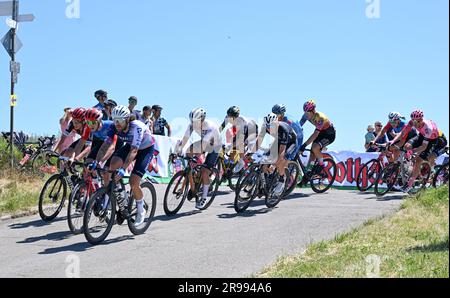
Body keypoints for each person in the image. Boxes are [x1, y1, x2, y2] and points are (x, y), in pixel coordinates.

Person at [92, 105, 156, 226]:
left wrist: (123, 169)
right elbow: (106, 145)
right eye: (115, 120)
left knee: (133, 182)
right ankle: (118, 197)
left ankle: (141, 208)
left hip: (145, 148)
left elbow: (134, 151)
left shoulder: (136, 126)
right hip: (130, 145)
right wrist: (97, 161)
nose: (117, 123)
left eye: (120, 120)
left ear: (127, 119)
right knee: (111, 167)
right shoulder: (114, 127)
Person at [175, 108, 222, 209]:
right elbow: (185, 139)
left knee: (205, 171)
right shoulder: (191, 125)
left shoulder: (210, 127)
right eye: (192, 121)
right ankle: (193, 182)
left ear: (202, 119)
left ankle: (204, 198)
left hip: (215, 146)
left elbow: (204, 146)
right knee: (188, 152)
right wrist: (177, 152)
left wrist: (196, 156)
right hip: (205, 142)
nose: (194, 124)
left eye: (196, 122)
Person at [391, 110, 442, 193]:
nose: (415, 123)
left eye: (417, 121)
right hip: (421, 135)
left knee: (418, 160)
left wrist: (414, 151)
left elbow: (423, 146)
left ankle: (410, 184)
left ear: (422, 119)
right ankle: (409, 164)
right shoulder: (412, 122)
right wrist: (392, 141)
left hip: (431, 140)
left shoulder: (428, 128)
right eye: (413, 120)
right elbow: (402, 133)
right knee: (407, 146)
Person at [256, 113, 298, 196]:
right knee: (264, 162)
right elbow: (258, 141)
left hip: (290, 142)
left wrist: (274, 165)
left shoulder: (283, 129)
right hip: (278, 141)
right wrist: (250, 153)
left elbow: (282, 152)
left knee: (280, 161)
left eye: (271, 127)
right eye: (267, 127)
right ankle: (265, 184)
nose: (269, 129)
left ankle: (282, 180)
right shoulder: (265, 127)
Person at [299, 100, 336, 174]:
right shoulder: (305, 115)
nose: (306, 114)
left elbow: (315, 134)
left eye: (308, 112)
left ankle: (321, 165)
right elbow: (299, 126)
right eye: (305, 112)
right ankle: (308, 174)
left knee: (315, 148)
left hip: (329, 135)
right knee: (312, 154)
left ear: (313, 110)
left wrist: (304, 145)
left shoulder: (320, 118)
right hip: (321, 132)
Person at [219, 106, 258, 172]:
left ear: (236, 117)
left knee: (240, 144)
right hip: (242, 130)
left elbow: (240, 140)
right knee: (233, 146)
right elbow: (220, 129)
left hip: (252, 131)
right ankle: (231, 164)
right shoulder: (228, 117)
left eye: (232, 118)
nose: (230, 119)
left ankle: (241, 162)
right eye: (229, 117)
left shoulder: (242, 123)